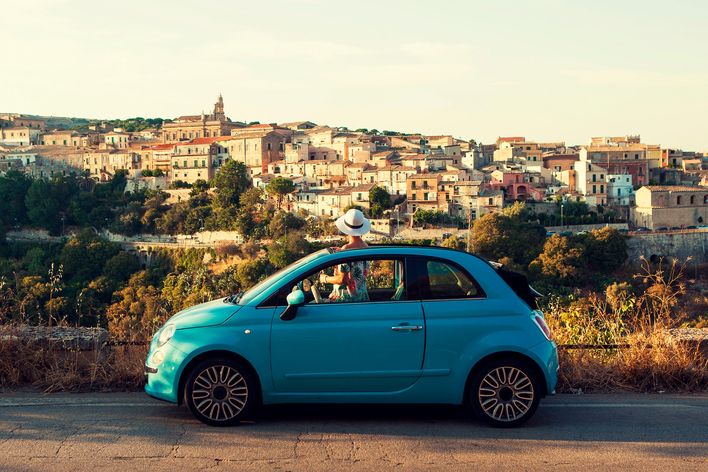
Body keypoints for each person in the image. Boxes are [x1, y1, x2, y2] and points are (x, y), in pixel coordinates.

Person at [319, 208, 371, 302]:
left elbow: (342, 279)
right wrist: (342, 252)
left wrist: (324, 278)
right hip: (361, 298)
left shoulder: (346, 249)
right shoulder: (365, 246)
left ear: (346, 229)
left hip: (346, 300)